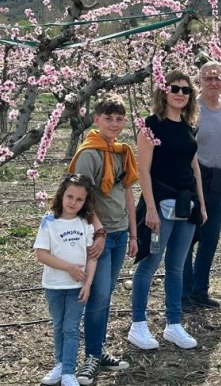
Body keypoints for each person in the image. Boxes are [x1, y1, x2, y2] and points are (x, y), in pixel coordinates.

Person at [129, 70, 207, 351]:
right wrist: (149, 207)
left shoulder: (188, 126)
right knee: (149, 263)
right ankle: (138, 324)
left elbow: (194, 166)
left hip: (187, 205)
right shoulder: (151, 126)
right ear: (163, 91)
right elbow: (144, 171)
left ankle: (174, 323)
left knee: (176, 267)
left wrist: (202, 203)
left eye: (185, 90)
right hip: (161, 203)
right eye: (174, 89)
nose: (180, 94)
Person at [68, 94, 138, 384]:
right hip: (99, 236)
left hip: (120, 233)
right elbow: (82, 199)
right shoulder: (89, 153)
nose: (114, 123)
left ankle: (98, 351)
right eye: (108, 117)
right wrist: (98, 230)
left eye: (119, 118)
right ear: (96, 120)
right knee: (97, 296)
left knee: (105, 295)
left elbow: (128, 192)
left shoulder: (122, 151)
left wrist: (134, 232)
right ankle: (91, 356)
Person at [35, 174, 99, 386]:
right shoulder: (49, 222)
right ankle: (60, 364)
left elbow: (92, 256)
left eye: (79, 199)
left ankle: (70, 371)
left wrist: (88, 283)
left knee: (71, 328)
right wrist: (69, 268)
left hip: (77, 287)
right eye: (70, 196)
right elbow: (42, 255)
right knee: (58, 325)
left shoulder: (85, 224)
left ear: (85, 202)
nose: (73, 202)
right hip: (54, 285)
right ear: (61, 195)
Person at [182, 62, 221, 309]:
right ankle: (183, 292)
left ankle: (200, 290)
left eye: (217, 77)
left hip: (219, 181)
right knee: (188, 236)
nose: (213, 82)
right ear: (199, 82)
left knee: (210, 237)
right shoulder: (192, 110)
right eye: (208, 78)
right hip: (195, 180)